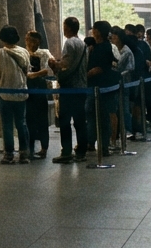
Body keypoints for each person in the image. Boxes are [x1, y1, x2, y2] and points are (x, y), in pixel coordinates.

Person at [0, 25, 31, 164]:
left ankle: (9, 154)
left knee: (7, 125)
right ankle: (25, 153)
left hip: (5, 93)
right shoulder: (24, 52)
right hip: (21, 92)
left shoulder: (1, 53)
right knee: (22, 123)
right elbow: (27, 71)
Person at [51, 16, 87, 164]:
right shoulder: (82, 44)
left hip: (69, 87)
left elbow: (65, 64)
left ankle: (66, 151)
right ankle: (82, 150)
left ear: (68, 28)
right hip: (82, 86)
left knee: (65, 121)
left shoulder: (69, 43)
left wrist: (54, 64)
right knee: (80, 121)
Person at [85, 20, 116, 156]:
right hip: (96, 85)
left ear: (98, 31)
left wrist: (85, 76)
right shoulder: (96, 46)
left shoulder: (104, 47)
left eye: (94, 29)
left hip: (100, 86)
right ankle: (92, 142)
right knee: (92, 114)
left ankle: (102, 145)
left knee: (101, 116)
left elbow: (99, 68)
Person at [23, 30, 53, 160]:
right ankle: (29, 147)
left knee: (42, 119)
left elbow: (46, 70)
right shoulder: (23, 53)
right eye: (28, 40)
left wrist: (31, 75)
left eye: (33, 41)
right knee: (28, 119)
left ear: (38, 42)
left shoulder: (44, 53)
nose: (30, 43)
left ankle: (44, 148)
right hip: (27, 89)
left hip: (40, 88)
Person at [108, 26, 134, 146]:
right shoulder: (116, 49)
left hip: (124, 82)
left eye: (115, 36)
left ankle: (127, 129)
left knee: (124, 107)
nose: (113, 38)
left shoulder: (126, 51)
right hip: (117, 82)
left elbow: (120, 66)